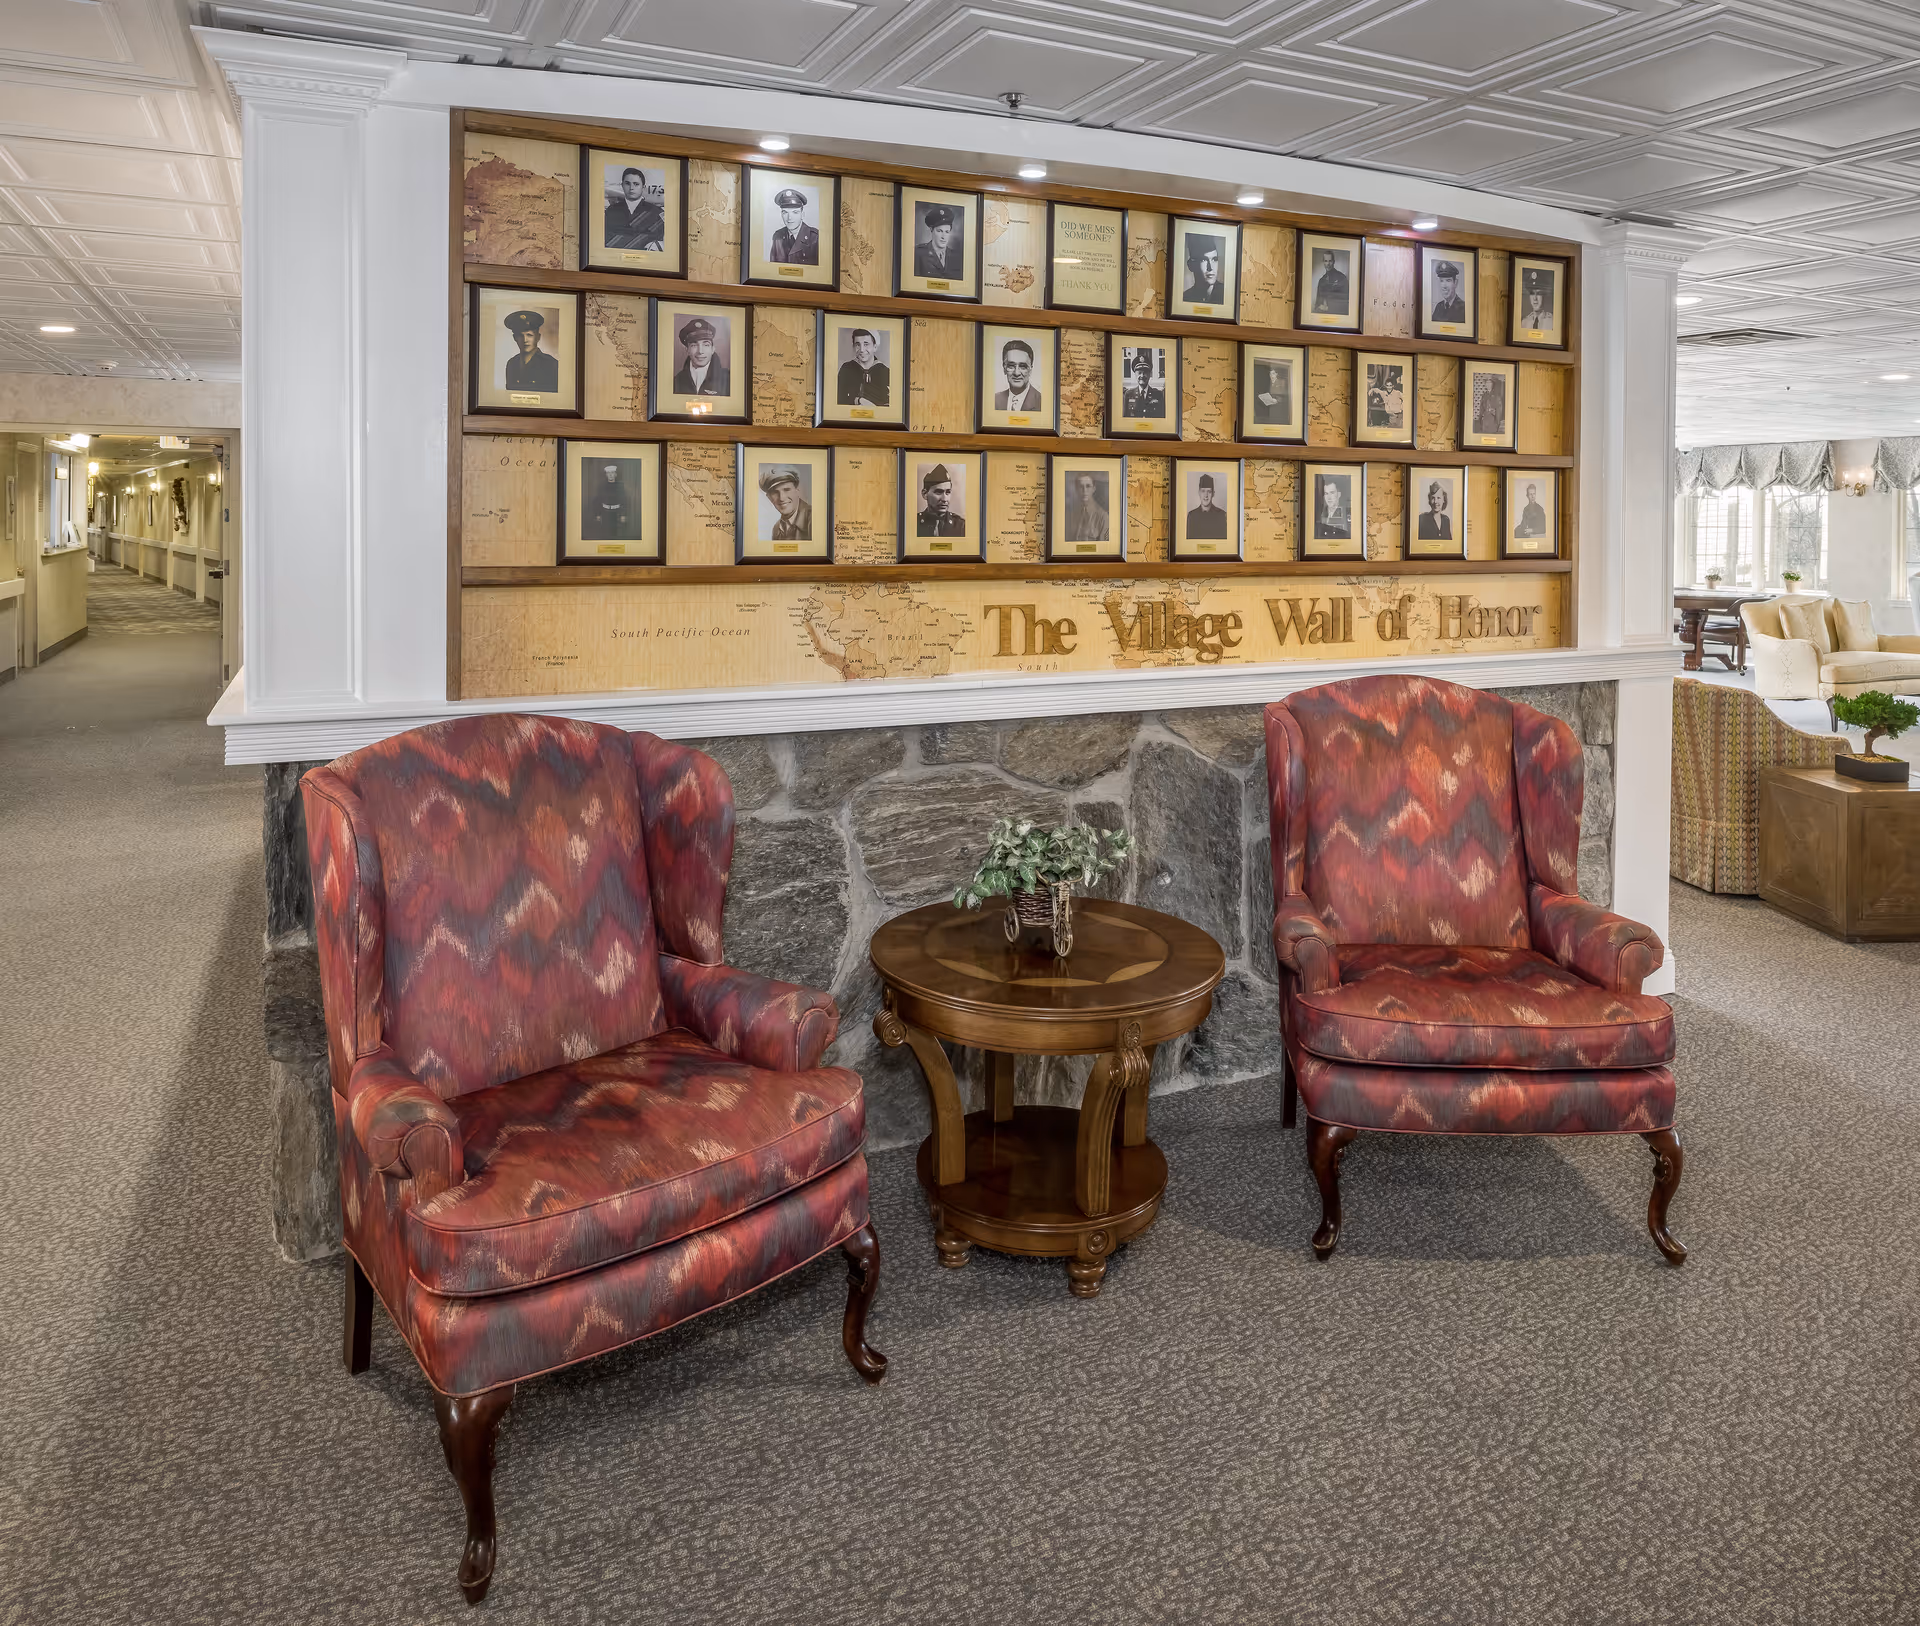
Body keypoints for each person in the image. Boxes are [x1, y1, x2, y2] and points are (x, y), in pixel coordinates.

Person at [604, 166, 664, 252]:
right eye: (627, 183)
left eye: (636, 184)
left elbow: (660, 240)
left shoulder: (656, 213)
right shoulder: (611, 211)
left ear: (643, 187)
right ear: (622, 185)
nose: (631, 188)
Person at [503, 309, 559, 393]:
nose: (525, 340)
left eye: (529, 335)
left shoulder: (551, 364)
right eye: (520, 336)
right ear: (515, 338)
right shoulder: (512, 364)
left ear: (538, 337)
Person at [582, 461, 639, 540]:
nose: (611, 475)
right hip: (605, 513)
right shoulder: (602, 486)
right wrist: (597, 513)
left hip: (616, 513)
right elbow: (598, 500)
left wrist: (623, 514)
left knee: (615, 533)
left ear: (615, 474)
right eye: (609, 473)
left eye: (612, 473)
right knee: (605, 533)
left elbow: (623, 500)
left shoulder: (620, 486)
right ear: (606, 475)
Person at [672, 316, 728, 396]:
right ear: (687, 350)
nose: (700, 351)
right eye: (694, 345)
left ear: (712, 349)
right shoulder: (677, 381)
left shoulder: (728, 379)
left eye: (706, 345)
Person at [836, 327, 889, 407]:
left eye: (866, 344)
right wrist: (857, 400)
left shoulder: (885, 371)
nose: (862, 349)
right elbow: (838, 399)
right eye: (857, 344)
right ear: (853, 346)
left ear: (875, 347)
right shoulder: (846, 369)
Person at [768, 186, 818, 266]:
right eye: (785, 212)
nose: (789, 218)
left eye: (795, 212)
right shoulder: (777, 236)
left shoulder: (815, 238)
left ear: (802, 215)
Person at [760, 466, 810, 541]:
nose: (781, 498)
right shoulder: (777, 528)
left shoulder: (814, 519)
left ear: (797, 490)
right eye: (775, 492)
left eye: (787, 490)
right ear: (769, 497)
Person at [915, 204, 963, 279]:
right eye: (939, 231)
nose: (943, 237)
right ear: (931, 230)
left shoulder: (957, 257)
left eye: (947, 232)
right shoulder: (918, 254)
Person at [917, 463, 966, 537]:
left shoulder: (961, 526)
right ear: (925, 494)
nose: (944, 499)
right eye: (938, 492)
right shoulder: (914, 523)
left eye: (948, 492)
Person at [994, 338, 1043, 412]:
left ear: (1030, 370)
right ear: (1004, 368)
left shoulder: (1042, 402)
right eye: (1011, 366)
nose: (1016, 373)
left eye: (1023, 366)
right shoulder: (994, 400)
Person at [1121, 349, 1163, 419]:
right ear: (1135, 375)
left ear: (1150, 375)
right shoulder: (1128, 394)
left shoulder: (1158, 395)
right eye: (1139, 373)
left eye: (1145, 372)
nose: (1142, 376)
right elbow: (1125, 418)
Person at [1066, 472, 1107, 542]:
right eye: (1081, 486)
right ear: (1076, 489)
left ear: (1093, 489)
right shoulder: (1070, 514)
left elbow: (1104, 548)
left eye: (1088, 486)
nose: (1084, 490)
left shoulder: (1103, 516)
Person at [1186, 473, 1228, 538]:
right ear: (1199, 493)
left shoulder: (1222, 516)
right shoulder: (1192, 516)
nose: (1206, 495)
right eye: (1203, 491)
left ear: (1213, 494)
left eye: (1209, 491)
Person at [1185, 236, 1225, 304]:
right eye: (1203, 260)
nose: (1210, 267)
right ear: (1190, 265)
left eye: (1214, 259)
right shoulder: (1186, 297)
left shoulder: (1226, 294)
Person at [1311, 247, 1349, 316]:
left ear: (1334, 261)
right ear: (1323, 262)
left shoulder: (1342, 277)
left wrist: (1329, 308)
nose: (1328, 264)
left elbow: (1346, 302)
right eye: (1325, 261)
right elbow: (1317, 304)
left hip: (1338, 316)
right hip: (1323, 317)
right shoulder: (1321, 281)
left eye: (1330, 261)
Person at [1253, 360, 1292, 424]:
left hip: (1278, 411)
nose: (1271, 375)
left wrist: (1277, 400)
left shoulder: (1282, 383)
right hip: (1267, 410)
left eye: (1273, 373)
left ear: (1276, 374)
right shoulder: (1267, 383)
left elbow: (1286, 396)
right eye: (1270, 373)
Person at [1367, 364, 1403, 429]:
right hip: (1391, 419)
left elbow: (1407, 399)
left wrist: (1401, 407)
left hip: (1398, 417)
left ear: (1393, 386)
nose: (1389, 387)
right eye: (1387, 386)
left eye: (1390, 386)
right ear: (1385, 386)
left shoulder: (1397, 393)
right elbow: (1377, 390)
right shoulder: (1384, 393)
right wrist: (1371, 390)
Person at [1430, 260, 1466, 324]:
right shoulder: (1438, 307)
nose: (1444, 286)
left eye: (1448, 280)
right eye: (1441, 281)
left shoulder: (1463, 308)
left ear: (1455, 283)